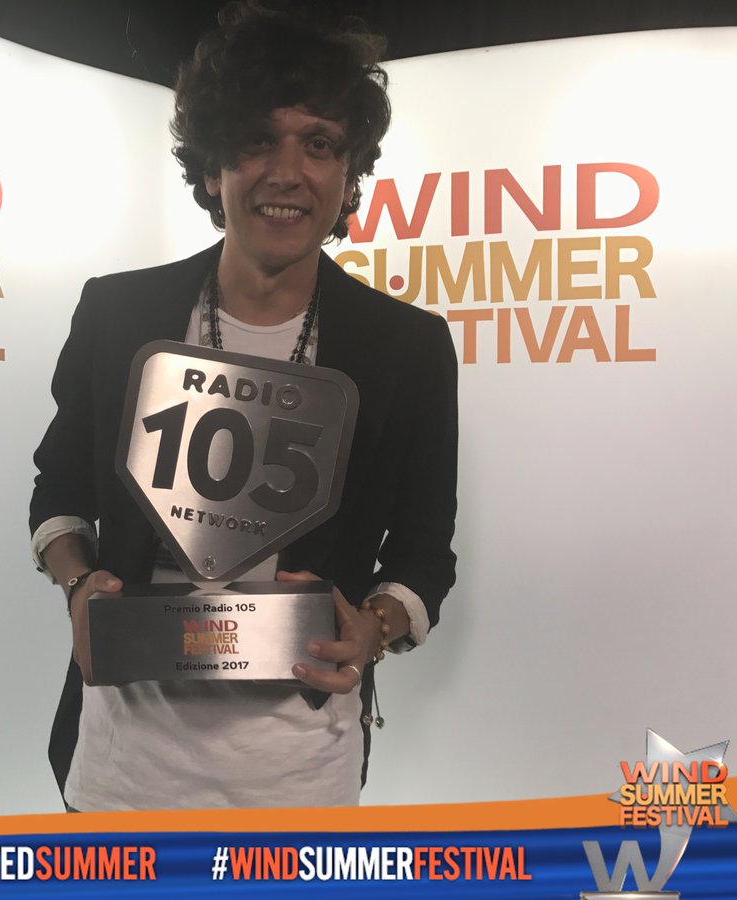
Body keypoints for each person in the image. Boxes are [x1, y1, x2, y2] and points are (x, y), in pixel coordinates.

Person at [29, 1, 457, 810]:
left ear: (349, 175)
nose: (287, 172)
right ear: (211, 166)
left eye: (319, 143)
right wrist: (80, 584)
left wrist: (372, 628)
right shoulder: (117, 314)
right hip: (123, 770)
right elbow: (58, 495)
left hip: (302, 775)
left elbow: (425, 557)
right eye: (258, 139)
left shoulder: (407, 346)